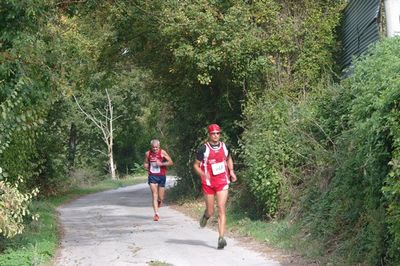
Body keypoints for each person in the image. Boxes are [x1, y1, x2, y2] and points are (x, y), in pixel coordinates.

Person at [193, 123, 237, 249]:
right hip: (208, 183)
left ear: (220, 134)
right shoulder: (203, 149)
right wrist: (203, 174)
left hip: (222, 180)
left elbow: (228, 159)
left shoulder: (225, 146)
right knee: (211, 211)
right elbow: (196, 165)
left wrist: (232, 171)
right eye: (213, 133)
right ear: (209, 134)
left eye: (218, 133)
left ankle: (221, 238)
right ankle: (206, 216)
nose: (216, 135)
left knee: (221, 208)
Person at [144, 139, 173, 221]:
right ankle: (156, 214)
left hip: (161, 176)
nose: (155, 149)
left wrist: (162, 164)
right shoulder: (148, 153)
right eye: (153, 147)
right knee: (154, 194)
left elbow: (171, 162)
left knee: (160, 197)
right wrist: (146, 166)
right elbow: (146, 162)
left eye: (156, 147)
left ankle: (159, 201)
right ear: (151, 147)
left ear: (159, 146)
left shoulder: (162, 152)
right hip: (152, 176)